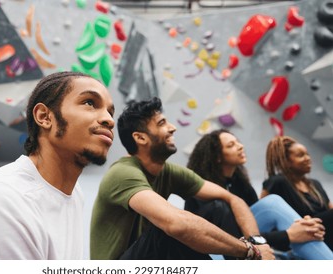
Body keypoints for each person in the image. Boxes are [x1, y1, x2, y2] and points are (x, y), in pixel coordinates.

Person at [0, 71, 115, 259]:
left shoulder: (73, 193)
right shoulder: (3, 204)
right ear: (44, 117)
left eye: (110, 111)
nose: (109, 120)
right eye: (90, 103)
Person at [90, 97, 274, 260]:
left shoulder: (168, 171)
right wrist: (249, 251)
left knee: (217, 207)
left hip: (153, 263)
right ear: (140, 138)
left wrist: (257, 243)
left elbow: (232, 198)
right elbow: (177, 224)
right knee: (167, 230)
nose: (173, 128)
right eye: (162, 123)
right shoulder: (123, 173)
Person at [185, 129, 332, 260]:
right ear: (217, 156)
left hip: (248, 243)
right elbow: (230, 237)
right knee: (271, 204)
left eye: (238, 142)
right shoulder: (202, 190)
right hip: (216, 250)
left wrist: (299, 228)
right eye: (231, 145)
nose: (241, 146)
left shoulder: (240, 184)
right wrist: (288, 235)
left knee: (276, 207)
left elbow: (254, 231)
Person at [263, 135, 333, 251]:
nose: (308, 158)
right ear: (286, 162)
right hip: (299, 238)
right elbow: (265, 215)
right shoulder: (278, 182)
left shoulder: (315, 184)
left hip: (324, 235)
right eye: (301, 155)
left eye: (307, 154)